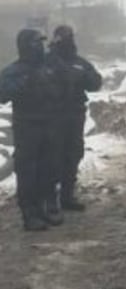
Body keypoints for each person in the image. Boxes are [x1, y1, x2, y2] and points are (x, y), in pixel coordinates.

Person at [0, 29, 71, 230]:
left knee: (50, 167)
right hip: (27, 127)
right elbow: (2, 94)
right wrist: (26, 82)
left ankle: (48, 207)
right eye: (35, 42)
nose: (39, 46)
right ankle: (30, 214)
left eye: (41, 42)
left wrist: (59, 66)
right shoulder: (13, 70)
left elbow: (67, 87)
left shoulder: (49, 66)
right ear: (25, 45)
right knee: (28, 171)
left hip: (50, 125)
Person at [49, 25, 102, 212]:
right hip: (51, 118)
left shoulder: (79, 62)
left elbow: (96, 83)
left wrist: (82, 77)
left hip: (74, 116)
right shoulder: (47, 62)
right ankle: (48, 200)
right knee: (52, 157)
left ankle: (67, 196)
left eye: (70, 37)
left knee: (73, 155)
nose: (67, 40)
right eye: (63, 37)